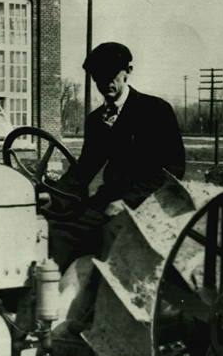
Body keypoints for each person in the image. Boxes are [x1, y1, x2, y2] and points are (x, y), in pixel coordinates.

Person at [49, 41, 185, 270]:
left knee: (94, 234)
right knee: (52, 230)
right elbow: (84, 169)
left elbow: (173, 169)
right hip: (108, 200)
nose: (105, 83)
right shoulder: (96, 120)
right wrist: (54, 196)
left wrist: (127, 202)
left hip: (147, 203)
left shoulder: (155, 111)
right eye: (98, 77)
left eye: (111, 75)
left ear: (128, 72)